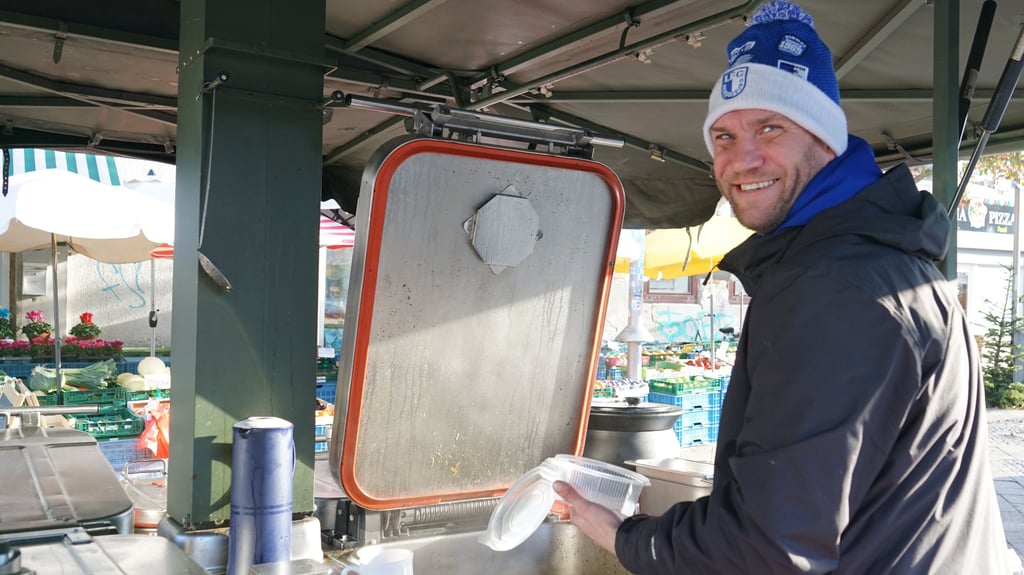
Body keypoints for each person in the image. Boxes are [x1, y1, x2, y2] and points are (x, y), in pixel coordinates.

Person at [554, 1, 1018, 573]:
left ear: (824, 138)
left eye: (770, 128)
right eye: (723, 136)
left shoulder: (837, 287)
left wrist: (628, 535)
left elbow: (768, 549)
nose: (742, 159)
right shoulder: (879, 258)